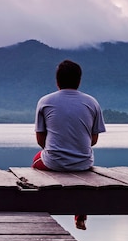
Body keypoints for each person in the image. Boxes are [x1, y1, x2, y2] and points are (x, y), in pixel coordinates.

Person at [32, 59, 106, 230]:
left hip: (54, 162)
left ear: (57, 81)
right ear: (79, 81)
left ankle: (41, 210)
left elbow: (40, 140)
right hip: (84, 163)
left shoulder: (45, 101)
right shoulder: (92, 102)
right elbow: (93, 140)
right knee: (81, 178)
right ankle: (80, 217)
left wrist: (57, 152)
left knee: (36, 162)